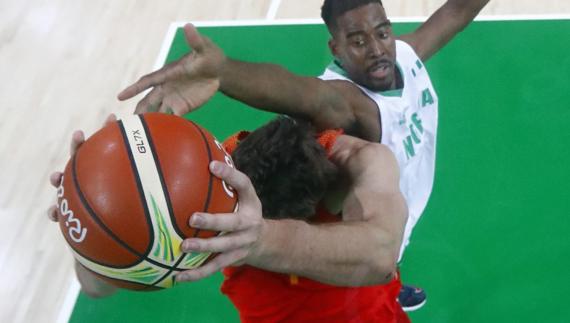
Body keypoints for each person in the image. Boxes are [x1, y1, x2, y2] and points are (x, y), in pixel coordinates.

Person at [116, 0, 489, 310]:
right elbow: (304, 93)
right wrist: (224, 73)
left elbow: (456, 12)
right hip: (368, 202)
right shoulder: (347, 101)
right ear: (336, 49)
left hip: (400, 198)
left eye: (382, 32)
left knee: (394, 250)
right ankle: (384, 286)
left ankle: (392, 282)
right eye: (357, 41)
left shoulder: (402, 55)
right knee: (377, 253)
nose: (376, 49)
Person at [48, 115, 409, 322]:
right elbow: (97, 285)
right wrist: (92, 222)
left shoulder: (356, 161)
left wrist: (261, 238)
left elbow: (381, 258)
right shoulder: (215, 193)